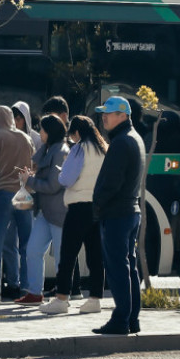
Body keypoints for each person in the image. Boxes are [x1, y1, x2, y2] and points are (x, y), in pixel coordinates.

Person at [91, 96, 145, 336]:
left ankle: (121, 319)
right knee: (129, 267)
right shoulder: (133, 138)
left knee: (118, 269)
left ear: (123, 115)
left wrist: (97, 204)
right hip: (130, 211)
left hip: (117, 213)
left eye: (109, 113)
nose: (104, 117)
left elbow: (112, 182)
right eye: (103, 113)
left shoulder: (122, 142)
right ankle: (131, 319)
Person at [42, 116, 107, 315]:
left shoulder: (79, 149)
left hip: (78, 206)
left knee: (68, 254)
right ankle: (95, 299)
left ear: (77, 133)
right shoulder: (104, 148)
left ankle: (62, 298)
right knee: (95, 255)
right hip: (98, 206)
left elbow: (66, 179)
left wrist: (62, 171)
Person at [0, 105, 35, 302]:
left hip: (3, 193)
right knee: (26, 244)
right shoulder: (26, 138)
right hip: (24, 192)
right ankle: (27, 288)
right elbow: (33, 165)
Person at [14, 114, 68, 304]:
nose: (40, 132)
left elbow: (53, 185)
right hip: (46, 211)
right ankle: (35, 293)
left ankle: (62, 296)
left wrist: (30, 180)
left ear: (50, 131)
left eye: (42, 129)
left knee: (61, 256)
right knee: (33, 250)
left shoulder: (60, 151)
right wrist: (31, 178)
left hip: (58, 213)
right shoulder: (50, 149)